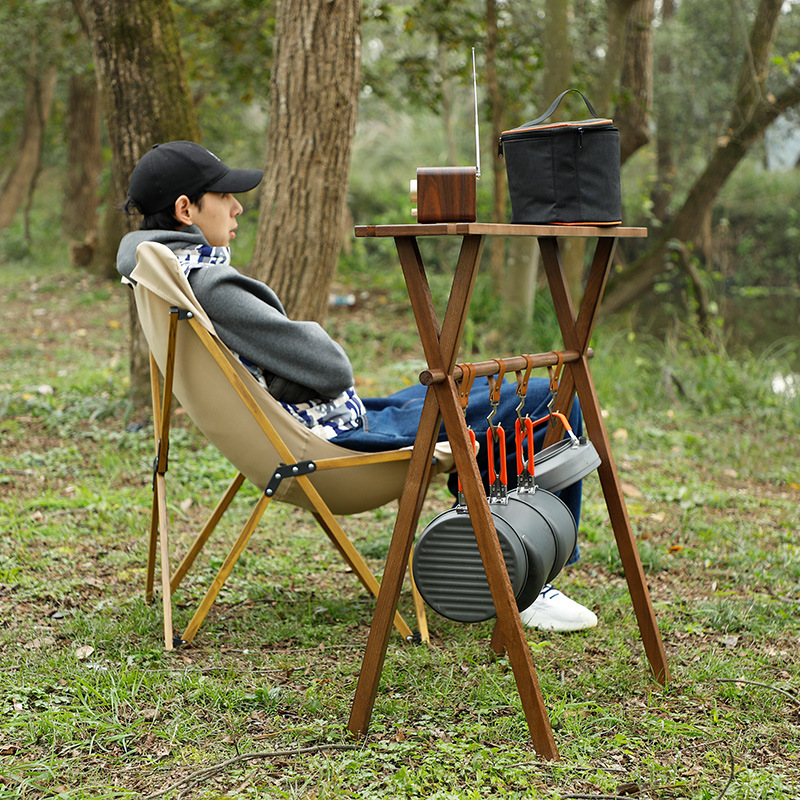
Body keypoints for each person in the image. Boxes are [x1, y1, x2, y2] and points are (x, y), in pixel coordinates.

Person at [116, 141, 597, 633]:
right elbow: (331, 368)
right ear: (184, 209)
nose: (237, 207)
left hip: (305, 430)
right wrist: (302, 351)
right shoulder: (214, 287)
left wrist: (283, 371)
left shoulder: (160, 277)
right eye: (224, 196)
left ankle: (494, 551)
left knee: (471, 385)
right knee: (544, 397)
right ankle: (527, 578)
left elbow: (263, 373)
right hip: (335, 444)